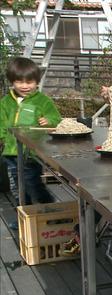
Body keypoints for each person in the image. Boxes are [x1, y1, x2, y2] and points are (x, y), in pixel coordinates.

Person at [0, 57, 60, 229]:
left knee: (32, 183)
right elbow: (1, 123)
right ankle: (24, 219)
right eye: (19, 81)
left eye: (30, 82)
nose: (25, 86)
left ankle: (49, 208)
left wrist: (48, 120)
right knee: (17, 187)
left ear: (37, 82)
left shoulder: (42, 101)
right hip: (11, 153)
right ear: (12, 81)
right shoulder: (5, 103)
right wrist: (2, 138)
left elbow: (57, 119)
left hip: (32, 153)